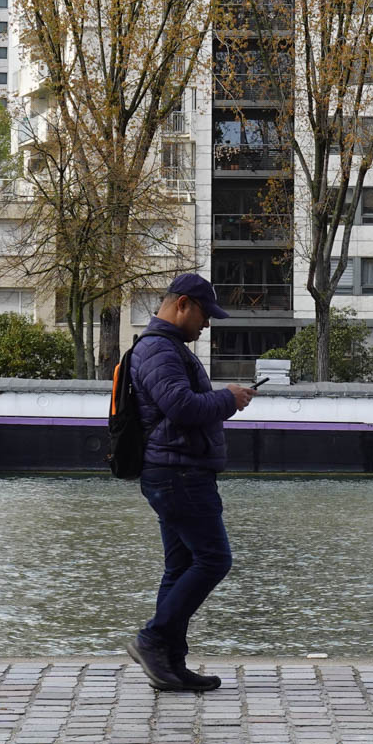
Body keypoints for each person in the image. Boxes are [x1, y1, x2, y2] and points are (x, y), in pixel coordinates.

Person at [125, 272, 256, 692]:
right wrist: (228, 398)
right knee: (214, 560)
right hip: (178, 472)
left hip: (173, 470)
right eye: (204, 314)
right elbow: (181, 407)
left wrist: (224, 398)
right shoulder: (160, 350)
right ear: (182, 304)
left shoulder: (165, 348)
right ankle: (152, 640)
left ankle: (169, 663)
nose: (207, 324)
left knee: (181, 567)